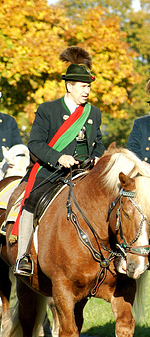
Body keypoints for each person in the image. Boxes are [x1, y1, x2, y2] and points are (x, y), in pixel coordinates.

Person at [13, 46, 105, 276]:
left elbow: (99, 142)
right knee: (31, 202)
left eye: (89, 87)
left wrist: (96, 157)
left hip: (85, 171)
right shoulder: (48, 110)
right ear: (69, 86)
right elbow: (35, 144)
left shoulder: (94, 113)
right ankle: (23, 256)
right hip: (52, 171)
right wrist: (59, 158)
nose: (87, 91)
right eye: (83, 87)